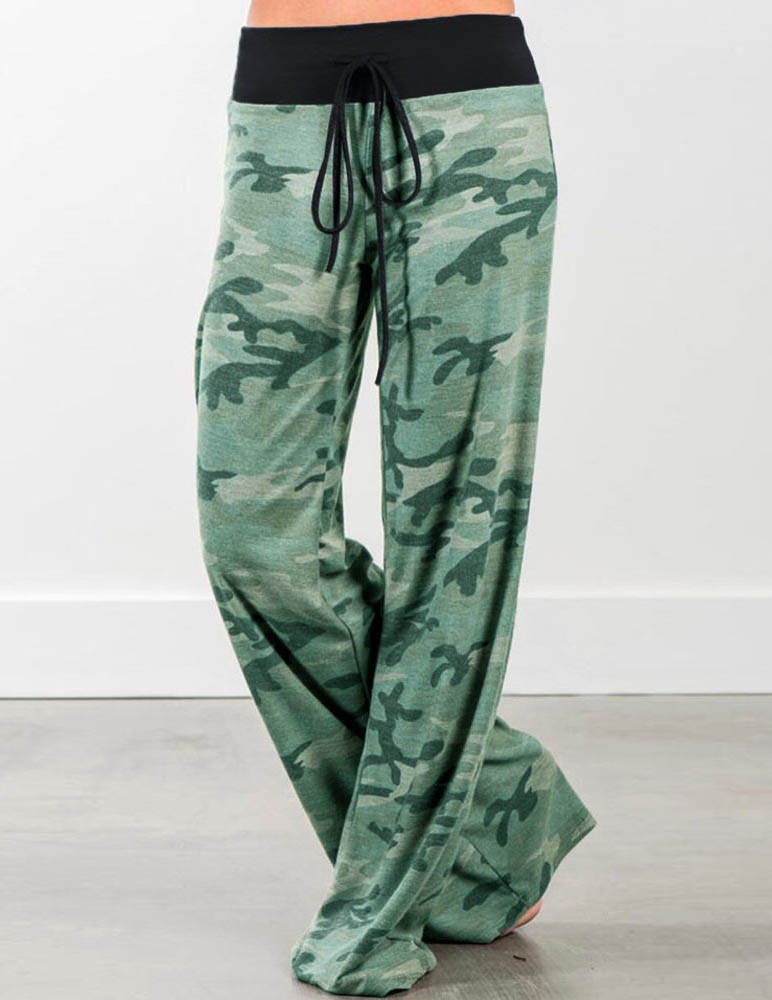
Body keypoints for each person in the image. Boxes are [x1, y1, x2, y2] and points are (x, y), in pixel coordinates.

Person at [194, 1, 596, 994]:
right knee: (253, 534)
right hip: (283, 118)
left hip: (474, 112)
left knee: (455, 528)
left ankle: (378, 907)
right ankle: (507, 805)